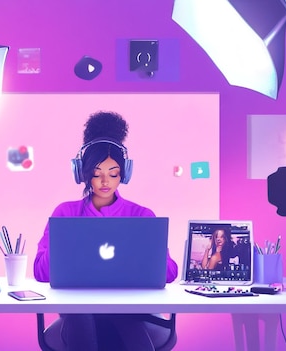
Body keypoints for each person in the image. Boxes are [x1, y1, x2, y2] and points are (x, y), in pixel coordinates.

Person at [33, 111, 178, 351]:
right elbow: (40, 272)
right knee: (81, 317)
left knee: (125, 318)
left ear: (124, 174)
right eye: (96, 173)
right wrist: (66, 239)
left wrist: (144, 257)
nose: (105, 182)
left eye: (113, 174)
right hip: (78, 314)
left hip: (133, 313)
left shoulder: (141, 216)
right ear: (82, 173)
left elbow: (170, 272)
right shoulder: (65, 213)